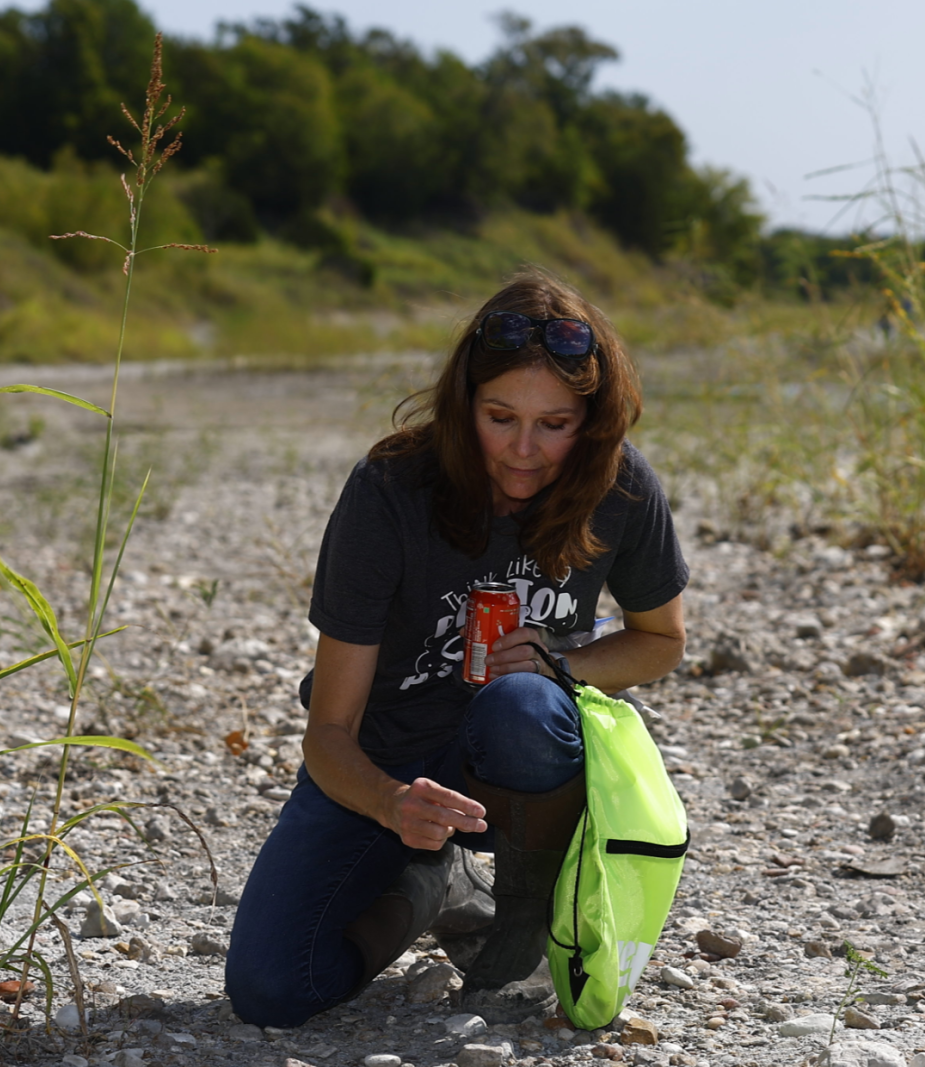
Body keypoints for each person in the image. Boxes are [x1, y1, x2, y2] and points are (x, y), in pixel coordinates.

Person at [225, 271, 689, 1028]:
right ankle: (433, 886)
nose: (524, 451)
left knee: (523, 704)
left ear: (593, 421)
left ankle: (526, 915)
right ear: (463, 401)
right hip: (388, 761)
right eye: (500, 416)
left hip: (526, 755)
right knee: (273, 988)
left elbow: (660, 640)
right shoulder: (389, 489)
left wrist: (561, 663)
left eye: (556, 424)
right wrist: (389, 802)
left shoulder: (621, 485)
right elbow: (329, 734)